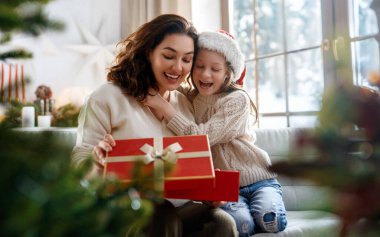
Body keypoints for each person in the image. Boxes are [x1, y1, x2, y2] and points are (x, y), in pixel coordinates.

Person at [71, 14, 238, 237]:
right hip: (126, 209)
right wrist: (98, 162)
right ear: (149, 52)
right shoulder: (107, 97)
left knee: (221, 222)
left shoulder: (186, 102)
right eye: (169, 56)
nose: (178, 67)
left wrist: (208, 192)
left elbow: (193, 165)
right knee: (162, 213)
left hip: (180, 208)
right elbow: (79, 165)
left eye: (187, 60)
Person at [143, 30, 288, 236]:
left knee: (271, 220)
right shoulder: (190, 98)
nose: (205, 74)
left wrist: (166, 110)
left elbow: (203, 139)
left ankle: (268, 205)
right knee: (241, 225)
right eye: (199, 66)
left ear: (227, 74)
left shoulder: (237, 100)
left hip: (259, 181)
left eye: (215, 69)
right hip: (226, 190)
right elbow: (167, 85)